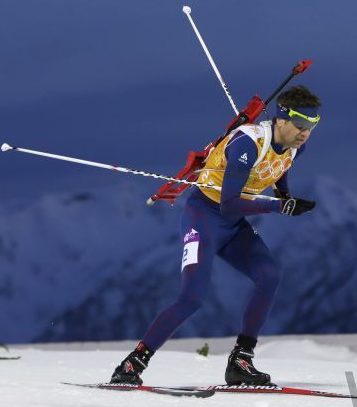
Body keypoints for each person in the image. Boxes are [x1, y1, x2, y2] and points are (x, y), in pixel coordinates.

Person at [110, 85, 321, 385]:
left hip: (233, 226)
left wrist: (284, 193)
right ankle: (132, 365)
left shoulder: (296, 146)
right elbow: (230, 204)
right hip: (205, 218)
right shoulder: (247, 144)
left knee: (269, 275)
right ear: (281, 119)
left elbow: (279, 166)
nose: (305, 133)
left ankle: (241, 362)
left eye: (312, 127)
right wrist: (280, 206)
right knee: (192, 298)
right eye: (300, 125)